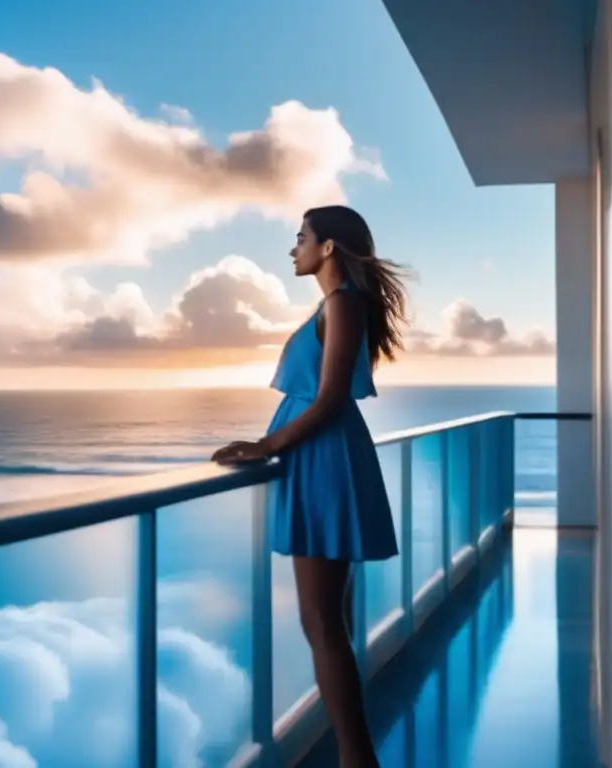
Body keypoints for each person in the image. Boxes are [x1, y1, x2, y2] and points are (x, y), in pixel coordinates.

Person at [212, 205, 408, 767]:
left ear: (327, 248)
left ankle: (355, 757)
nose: (293, 248)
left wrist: (266, 446)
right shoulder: (333, 305)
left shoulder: (341, 303)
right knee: (328, 621)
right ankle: (356, 754)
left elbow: (328, 398)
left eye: (301, 237)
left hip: (322, 460)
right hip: (318, 458)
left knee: (321, 621)